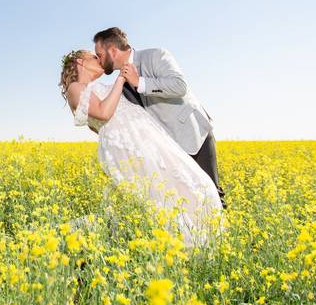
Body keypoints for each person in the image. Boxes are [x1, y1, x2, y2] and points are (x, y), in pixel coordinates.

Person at [60, 50, 223, 246]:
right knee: (155, 199)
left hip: (147, 144)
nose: (100, 61)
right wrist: (121, 79)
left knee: (186, 188)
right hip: (134, 150)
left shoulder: (99, 87)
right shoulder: (75, 88)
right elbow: (103, 114)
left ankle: (199, 242)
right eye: (94, 57)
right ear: (80, 62)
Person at [93, 27, 226, 208]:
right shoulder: (119, 83)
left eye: (99, 54)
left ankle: (222, 235)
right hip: (168, 148)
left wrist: (140, 82)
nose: (98, 60)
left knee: (212, 194)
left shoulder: (156, 55)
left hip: (192, 134)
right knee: (187, 201)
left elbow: (180, 86)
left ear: (113, 51)